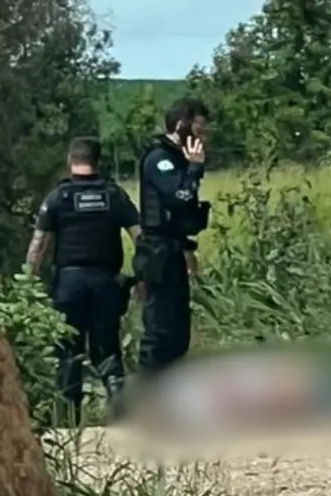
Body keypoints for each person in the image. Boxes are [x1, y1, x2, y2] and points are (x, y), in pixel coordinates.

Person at [25, 136, 140, 423]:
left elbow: (38, 244)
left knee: (67, 351)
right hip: (106, 283)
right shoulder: (114, 195)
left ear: (69, 160)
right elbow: (141, 238)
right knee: (108, 348)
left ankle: (68, 421)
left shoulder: (58, 197)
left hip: (69, 285)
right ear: (97, 161)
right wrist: (144, 277)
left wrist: (27, 282)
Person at [134, 97, 211, 374]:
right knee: (159, 332)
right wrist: (194, 167)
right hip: (157, 254)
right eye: (198, 132)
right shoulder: (159, 160)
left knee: (179, 333)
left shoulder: (178, 159)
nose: (202, 139)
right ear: (181, 125)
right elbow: (179, 196)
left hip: (175, 251)